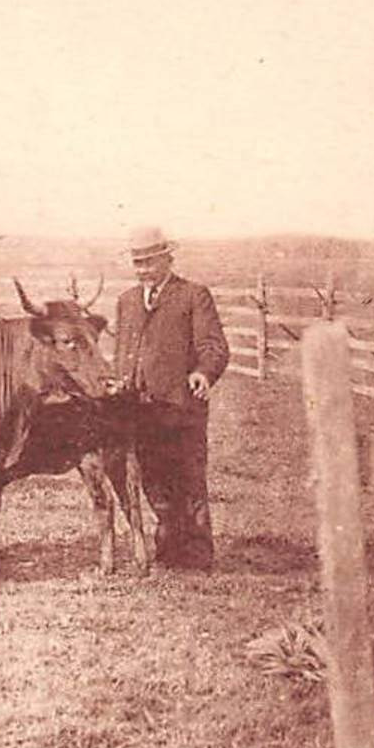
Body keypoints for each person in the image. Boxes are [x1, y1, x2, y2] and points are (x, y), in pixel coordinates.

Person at [113, 228, 229, 571]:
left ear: (168, 259)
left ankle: (196, 556)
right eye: (138, 263)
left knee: (188, 478)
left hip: (181, 408)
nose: (143, 269)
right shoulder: (127, 301)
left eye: (150, 262)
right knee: (153, 479)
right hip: (140, 410)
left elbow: (214, 345)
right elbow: (124, 351)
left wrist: (204, 373)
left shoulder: (193, 296)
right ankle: (168, 547)